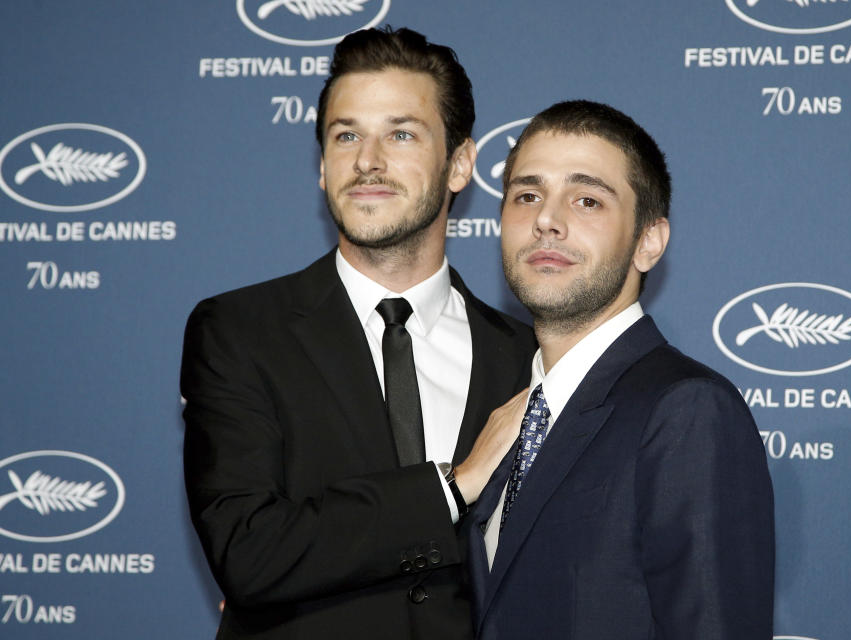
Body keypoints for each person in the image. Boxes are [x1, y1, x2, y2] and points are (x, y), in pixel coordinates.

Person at [181, 27, 535, 639]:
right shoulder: (239, 333)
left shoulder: (527, 356)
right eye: (346, 136)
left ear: (459, 164)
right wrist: (452, 489)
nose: (367, 161)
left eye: (401, 134)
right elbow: (249, 554)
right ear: (322, 168)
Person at [465, 100, 775, 640]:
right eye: (527, 195)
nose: (546, 220)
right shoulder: (507, 415)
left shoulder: (687, 411)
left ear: (648, 242)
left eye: (587, 200)